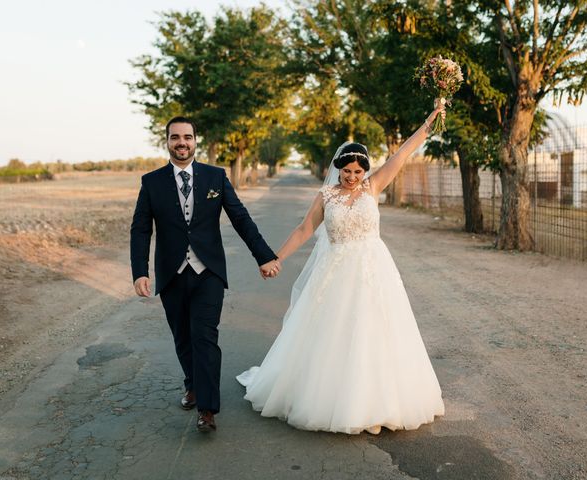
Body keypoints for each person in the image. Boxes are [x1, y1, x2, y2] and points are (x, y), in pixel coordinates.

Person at [237, 103, 447, 434]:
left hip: (373, 270)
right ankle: (331, 399)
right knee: (334, 334)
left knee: (376, 333)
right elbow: (304, 230)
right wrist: (275, 258)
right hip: (335, 271)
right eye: (346, 171)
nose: (351, 178)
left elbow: (403, 154)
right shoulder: (326, 196)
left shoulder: (373, 187)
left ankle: (378, 403)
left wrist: (428, 122)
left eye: (357, 172)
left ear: (365, 171)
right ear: (338, 169)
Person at [130, 116, 280, 433]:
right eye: (175, 137)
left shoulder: (216, 177)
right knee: (183, 338)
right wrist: (139, 272)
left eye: (187, 137)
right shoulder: (151, 182)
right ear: (167, 141)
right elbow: (141, 230)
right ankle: (193, 385)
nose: (181, 142)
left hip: (208, 272)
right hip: (171, 274)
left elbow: (241, 218)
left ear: (196, 140)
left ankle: (207, 409)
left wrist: (263, 256)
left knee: (204, 338)